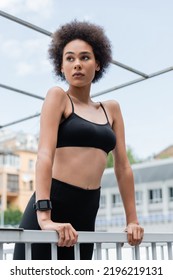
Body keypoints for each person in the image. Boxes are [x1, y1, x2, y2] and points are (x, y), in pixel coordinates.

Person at [13, 20, 144, 260]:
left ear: (98, 64)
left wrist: (132, 221)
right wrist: (44, 216)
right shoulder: (58, 98)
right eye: (70, 59)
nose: (77, 65)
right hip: (52, 204)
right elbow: (44, 154)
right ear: (61, 67)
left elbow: (123, 166)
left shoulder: (111, 109)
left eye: (85, 58)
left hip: (87, 209)